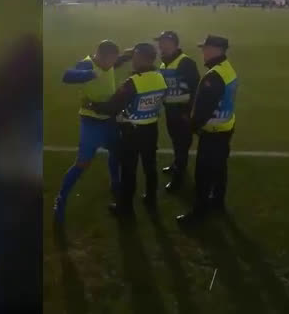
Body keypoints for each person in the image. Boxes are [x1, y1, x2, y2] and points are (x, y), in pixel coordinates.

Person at [53, 40, 131, 223]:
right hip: (91, 122)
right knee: (83, 163)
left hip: (109, 119)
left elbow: (117, 61)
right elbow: (67, 75)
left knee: (116, 153)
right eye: (110, 60)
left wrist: (129, 54)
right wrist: (90, 74)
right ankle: (61, 199)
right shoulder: (88, 65)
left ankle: (115, 183)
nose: (112, 65)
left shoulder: (109, 62)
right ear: (100, 56)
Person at [88, 43, 167, 215]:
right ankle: (151, 198)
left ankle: (125, 207)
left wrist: (92, 105)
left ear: (140, 57)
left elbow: (112, 107)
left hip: (132, 132)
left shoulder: (133, 82)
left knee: (128, 169)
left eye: (135, 56)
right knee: (150, 165)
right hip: (151, 129)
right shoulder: (160, 77)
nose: (133, 60)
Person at [176, 35, 238, 225]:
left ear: (214, 49)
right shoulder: (228, 69)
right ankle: (217, 201)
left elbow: (203, 110)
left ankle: (199, 212)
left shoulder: (213, 76)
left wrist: (191, 127)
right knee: (219, 168)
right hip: (226, 127)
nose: (202, 52)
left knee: (203, 174)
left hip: (213, 133)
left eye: (205, 48)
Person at [153, 31, 200, 191]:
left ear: (172, 43)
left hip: (183, 113)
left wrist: (189, 112)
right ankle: (176, 165)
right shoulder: (164, 64)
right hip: (171, 111)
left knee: (182, 145)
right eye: (159, 42)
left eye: (163, 42)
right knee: (175, 141)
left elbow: (195, 89)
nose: (160, 45)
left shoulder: (185, 63)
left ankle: (178, 178)